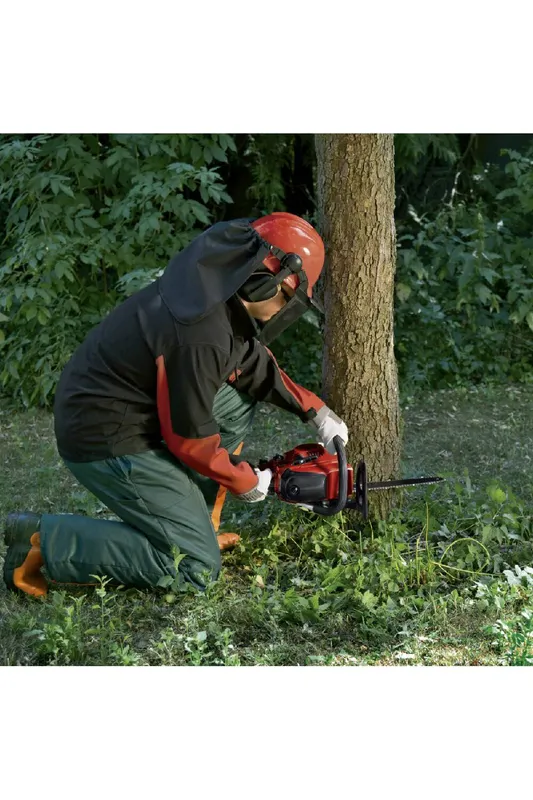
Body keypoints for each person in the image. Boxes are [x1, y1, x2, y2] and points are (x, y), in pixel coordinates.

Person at [3, 212, 348, 597]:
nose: (285, 310)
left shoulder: (214, 291)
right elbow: (191, 439)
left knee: (235, 402)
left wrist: (314, 410)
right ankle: (40, 540)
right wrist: (245, 480)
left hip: (125, 407)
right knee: (194, 567)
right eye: (289, 299)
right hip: (105, 435)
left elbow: (247, 360)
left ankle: (194, 526)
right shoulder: (200, 334)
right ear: (271, 280)